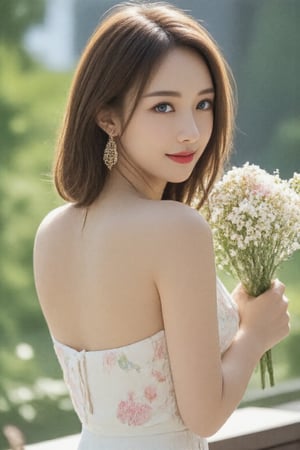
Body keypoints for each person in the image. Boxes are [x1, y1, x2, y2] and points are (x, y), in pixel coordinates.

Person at [33, 2, 290, 449]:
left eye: (203, 104)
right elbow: (205, 415)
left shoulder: (52, 231)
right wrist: (255, 334)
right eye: (164, 107)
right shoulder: (177, 229)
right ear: (106, 116)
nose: (190, 130)